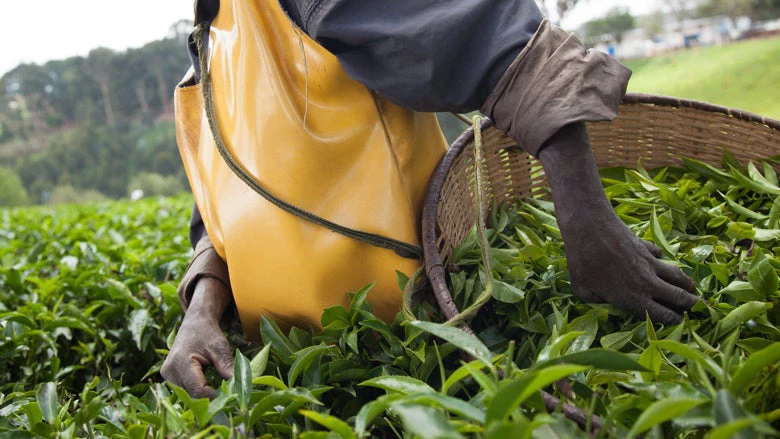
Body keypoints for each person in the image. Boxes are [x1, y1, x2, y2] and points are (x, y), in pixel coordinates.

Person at [162, 0, 699, 399]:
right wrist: (203, 308)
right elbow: (230, 194)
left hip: (435, 330)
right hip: (298, 372)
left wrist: (589, 226)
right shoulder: (217, 31)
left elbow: (501, 47)